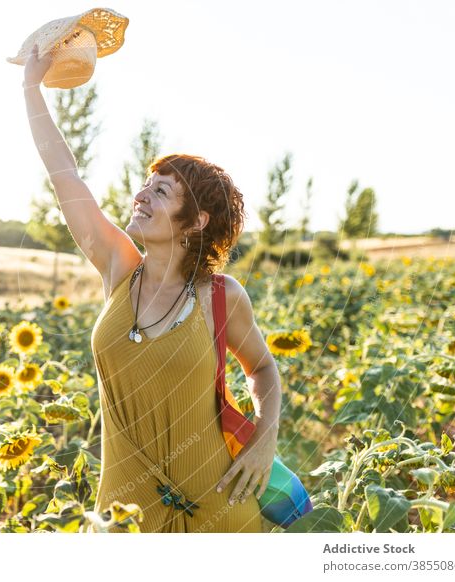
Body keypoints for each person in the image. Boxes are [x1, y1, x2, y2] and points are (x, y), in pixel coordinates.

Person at [21, 44, 282, 532]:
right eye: (146, 183)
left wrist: (264, 438)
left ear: (195, 221)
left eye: (161, 190)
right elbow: (64, 176)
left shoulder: (222, 297)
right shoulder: (119, 268)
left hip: (220, 511)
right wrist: (31, 89)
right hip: (125, 514)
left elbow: (263, 367)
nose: (141, 194)